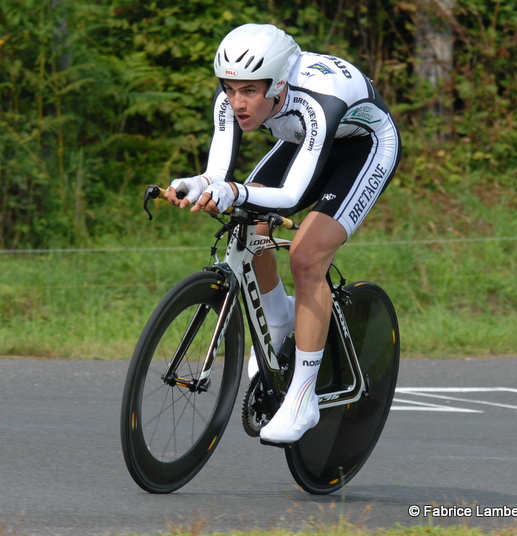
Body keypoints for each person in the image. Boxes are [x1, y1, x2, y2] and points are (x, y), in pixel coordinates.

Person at [163, 23, 401, 443]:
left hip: (363, 147)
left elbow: (290, 193)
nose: (237, 102)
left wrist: (233, 190)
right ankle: (278, 321)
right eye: (230, 88)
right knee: (250, 225)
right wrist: (197, 184)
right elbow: (217, 174)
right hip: (304, 139)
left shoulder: (316, 102)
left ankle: (303, 398)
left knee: (306, 257)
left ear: (278, 84)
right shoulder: (234, 97)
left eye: (249, 91)